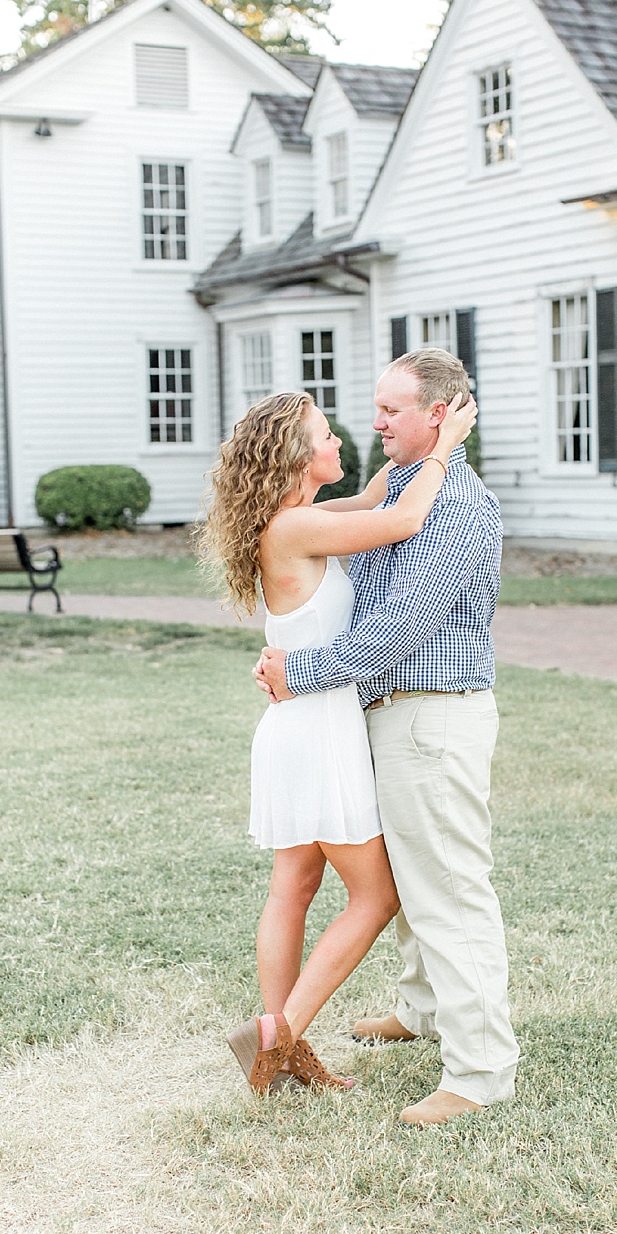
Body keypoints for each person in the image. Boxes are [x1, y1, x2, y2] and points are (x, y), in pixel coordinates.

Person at [254, 347, 515, 1128]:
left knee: (449, 891)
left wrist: (301, 671)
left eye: (391, 410)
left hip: (431, 713)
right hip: (378, 712)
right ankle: (420, 1007)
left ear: (438, 415)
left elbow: (397, 629)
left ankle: (479, 1073)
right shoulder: (402, 484)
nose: (375, 423)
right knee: (407, 876)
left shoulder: (456, 505)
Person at [195, 383, 476, 1097]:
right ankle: (279, 1037)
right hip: (317, 726)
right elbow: (405, 519)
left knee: (293, 885)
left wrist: (417, 449)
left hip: (295, 723)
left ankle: (280, 1045)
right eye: (325, 435)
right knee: (376, 896)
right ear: (298, 458)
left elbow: (382, 495)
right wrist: (444, 447)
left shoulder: (301, 519)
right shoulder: (296, 527)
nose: (341, 440)